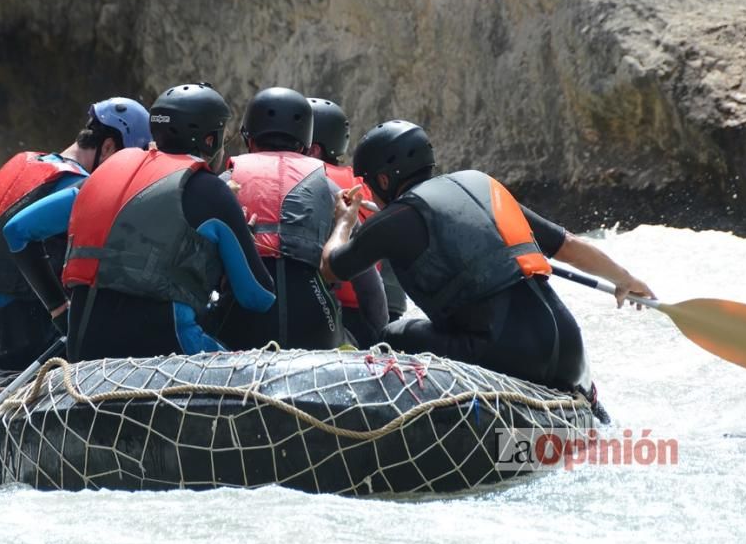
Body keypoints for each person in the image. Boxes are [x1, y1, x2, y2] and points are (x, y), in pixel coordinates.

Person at [320, 119, 655, 404]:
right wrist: (624, 279)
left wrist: (345, 221)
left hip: (508, 354)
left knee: (393, 333)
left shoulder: (396, 218)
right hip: (569, 350)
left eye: (368, 184)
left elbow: (331, 266)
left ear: (383, 180)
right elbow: (565, 243)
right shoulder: (483, 186)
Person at [7, 83, 276, 361]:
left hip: (84, 349)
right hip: (167, 350)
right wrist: (243, 242)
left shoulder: (103, 173)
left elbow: (17, 230)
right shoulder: (212, 190)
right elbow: (258, 297)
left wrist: (59, 309)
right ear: (210, 140)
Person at [0, 97, 150, 369]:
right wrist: (59, 308)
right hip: (31, 344)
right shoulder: (82, 189)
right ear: (107, 147)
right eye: (125, 162)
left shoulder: (23, 164)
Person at [211, 87, 382, 350]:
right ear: (305, 144)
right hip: (316, 329)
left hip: (239, 326)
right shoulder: (330, 189)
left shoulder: (224, 185)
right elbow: (368, 287)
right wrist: (379, 334)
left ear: (250, 139)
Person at [306, 97, 393, 347]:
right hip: (376, 310)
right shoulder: (364, 185)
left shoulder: (307, 180)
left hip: (326, 307)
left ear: (313, 149)